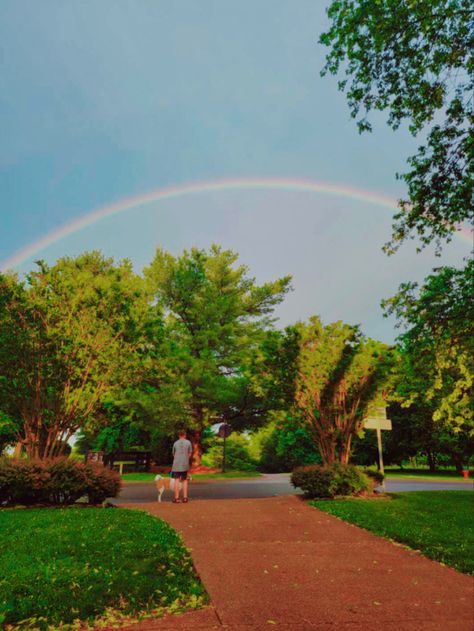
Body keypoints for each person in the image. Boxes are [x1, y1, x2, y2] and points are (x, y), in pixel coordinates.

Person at [171, 429, 192, 503]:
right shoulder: (188, 442)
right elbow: (189, 453)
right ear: (185, 435)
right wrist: (185, 459)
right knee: (185, 480)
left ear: (179, 435)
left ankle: (176, 498)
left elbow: (173, 454)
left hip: (176, 464)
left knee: (176, 480)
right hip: (184, 464)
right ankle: (185, 498)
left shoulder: (175, 443)